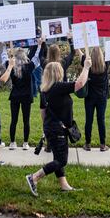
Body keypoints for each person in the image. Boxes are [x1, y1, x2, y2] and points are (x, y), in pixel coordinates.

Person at [25, 57, 91, 197]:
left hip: (51, 127)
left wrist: (46, 128)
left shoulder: (45, 90)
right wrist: (86, 67)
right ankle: (34, 177)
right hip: (58, 129)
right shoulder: (58, 87)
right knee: (61, 160)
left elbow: (43, 111)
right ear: (58, 73)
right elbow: (79, 84)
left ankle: (64, 185)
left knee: (57, 156)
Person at [0, 45, 38, 150]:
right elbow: (37, 57)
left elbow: (3, 57)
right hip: (26, 96)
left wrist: (2, 46)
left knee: (14, 120)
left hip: (15, 95)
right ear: (24, 56)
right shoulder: (29, 66)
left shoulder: (10, 65)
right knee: (26, 121)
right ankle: (25, 143)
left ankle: (12, 143)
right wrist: (39, 45)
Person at [79, 45, 110, 152]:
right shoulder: (105, 63)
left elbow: (80, 54)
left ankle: (87, 144)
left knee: (89, 120)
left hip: (89, 97)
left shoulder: (87, 63)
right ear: (102, 55)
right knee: (101, 120)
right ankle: (102, 145)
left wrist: (77, 45)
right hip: (102, 97)